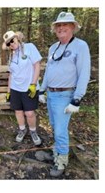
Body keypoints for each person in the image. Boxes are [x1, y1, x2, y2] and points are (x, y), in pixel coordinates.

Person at [38, 12, 91, 177]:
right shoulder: (53, 48)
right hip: (51, 94)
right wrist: (41, 89)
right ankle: (56, 153)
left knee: (61, 130)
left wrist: (77, 98)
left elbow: (84, 72)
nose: (61, 28)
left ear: (73, 27)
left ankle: (61, 162)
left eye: (65, 25)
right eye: (58, 25)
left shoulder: (80, 46)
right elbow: (48, 70)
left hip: (65, 95)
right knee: (54, 126)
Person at [3, 31, 42, 146]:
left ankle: (33, 131)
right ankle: (22, 129)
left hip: (29, 87)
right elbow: (11, 74)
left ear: (17, 38)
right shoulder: (11, 55)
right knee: (18, 111)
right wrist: (8, 91)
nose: (11, 44)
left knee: (29, 113)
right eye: (8, 43)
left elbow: (37, 65)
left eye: (12, 40)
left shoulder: (29, 47)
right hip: (15, 88)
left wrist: (33, 84)